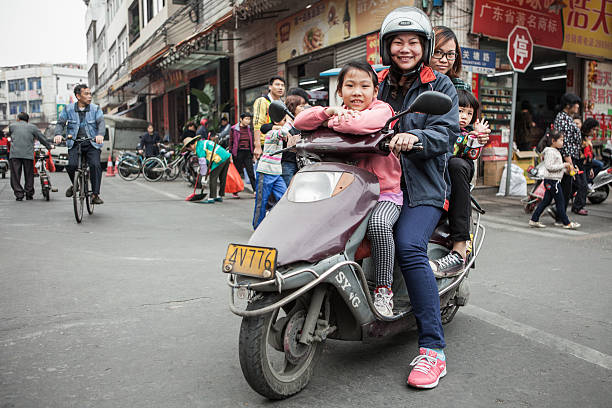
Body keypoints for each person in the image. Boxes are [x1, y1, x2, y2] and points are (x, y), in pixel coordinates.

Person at [377, 7, 460, 389]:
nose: (405, 48)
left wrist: (418, 139)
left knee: (409, 246)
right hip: (374, 183)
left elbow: (446, 132)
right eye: (398, 42)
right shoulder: (375, 83)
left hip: (421, 187)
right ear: (386, 47)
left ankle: (432, 350)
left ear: (424, 46)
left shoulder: (439, 86)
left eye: (413, 42)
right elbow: (351, 115)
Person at [294, 61, 400, 317]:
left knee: (379, 225)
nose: (357, 92)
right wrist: (327, 113)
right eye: (350, 86)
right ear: (339, 91)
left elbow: (358, 125)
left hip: (383, 195)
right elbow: (300, 121)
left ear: (375, 91)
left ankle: (384, 290)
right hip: (344, 196)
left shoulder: (383, 110)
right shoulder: (336, 110)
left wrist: (334, 122)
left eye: (365, 86)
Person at [428, 26, 490, 277]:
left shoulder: (458, 86)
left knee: (455, 166)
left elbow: (470, 118)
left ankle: (459, 248)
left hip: (454, 154)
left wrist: (479, 135)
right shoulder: (410, 80)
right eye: (438, 53)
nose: (444, 60)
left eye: (450, 55)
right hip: (419, 150)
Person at [54, 84, 105, 204]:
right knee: (71, 165)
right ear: (78, 96)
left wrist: (100, 135)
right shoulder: (68, 109)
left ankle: (95, 194)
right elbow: (60, 123)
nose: (89, 97)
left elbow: (101, 123)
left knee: (95, 165)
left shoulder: (95, 109)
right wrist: (58, 134)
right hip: (75, 143)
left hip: (92, 143)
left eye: (90, 94)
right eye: (86, 94)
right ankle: (75, 185)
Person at [529, 129, 580, 229]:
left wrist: (571, 170)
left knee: (546, 202)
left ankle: (534, 220)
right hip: (553, 181)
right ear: (553, 141)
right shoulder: (550, 152)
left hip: (553, 180)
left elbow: (557, 168)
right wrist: (564, 165)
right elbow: (549, 167)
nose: (563, 142)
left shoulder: (555, 151)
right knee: (560, 202)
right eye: (561, 140)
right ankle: (567, 223)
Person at [552, 93, 588, 217]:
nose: (577, 106)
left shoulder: (566, 118)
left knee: (566, 187)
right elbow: (564, 143)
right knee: (566, 188)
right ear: (568, 105)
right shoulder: (563, 119)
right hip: (567, 158)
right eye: (575, 103)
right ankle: (560, 215)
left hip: (571, 157)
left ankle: (558, 213)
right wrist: (570, 164)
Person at [252, 115, 289, 229]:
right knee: (261, 201)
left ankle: (270, 220)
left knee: (284, 198)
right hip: (265, 171)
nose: (285, 122)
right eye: (284, 120)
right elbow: (282, 133)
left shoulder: (280, 134)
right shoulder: (271, 134)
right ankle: (257, 227)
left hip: (277, 173)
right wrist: (290, 122)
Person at [8, 112, 52, 201]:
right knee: (29, 174)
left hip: (15, 154)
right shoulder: (33, 127)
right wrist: (49, 146)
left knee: (15, 175)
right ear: (28, 120)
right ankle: (29, 193)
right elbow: (41, 138)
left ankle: (19, 194)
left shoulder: (12, 126)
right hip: (28, 154)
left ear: (18, 119)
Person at [183, 135, 231, 204]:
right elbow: (206, 160)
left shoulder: (199, 148)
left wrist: (203, 176)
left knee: (213, 177)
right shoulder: (202, 143)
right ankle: (220, 195)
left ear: (191, 145)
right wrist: (201, 168)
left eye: (189, 148)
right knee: (222, 177)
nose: (190, 150)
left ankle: (212, 197)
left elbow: (203, 163)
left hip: (218, 159)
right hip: (226, 156)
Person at [253, 76, 286, 159]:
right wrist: (257, 145)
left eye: (282, 85)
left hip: (279, 142)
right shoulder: (262, 101)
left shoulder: (282, 103)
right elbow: (257, 123)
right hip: (265, 143)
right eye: (277, 85)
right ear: (270, 87)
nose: (280, 88)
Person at [281, 94, 308, 187]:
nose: (303, 109)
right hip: (288, 162)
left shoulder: (302, 124)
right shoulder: (284, 123)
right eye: (300, 106)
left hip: (301, 163)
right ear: (292, 107)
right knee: (287, 191)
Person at [229, 113, 257, 198]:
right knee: (237, 173)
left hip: (248, 152)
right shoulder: (234, 129)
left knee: (251, 172)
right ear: (241, 119)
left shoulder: (250, 129)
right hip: (238, 152)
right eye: (246, 119)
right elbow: (231, 142)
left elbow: (252, 141)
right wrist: (230, 154)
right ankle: (235, 191)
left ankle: (255, 190)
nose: (248, 121)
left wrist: (253, 154)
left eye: (249, 119)